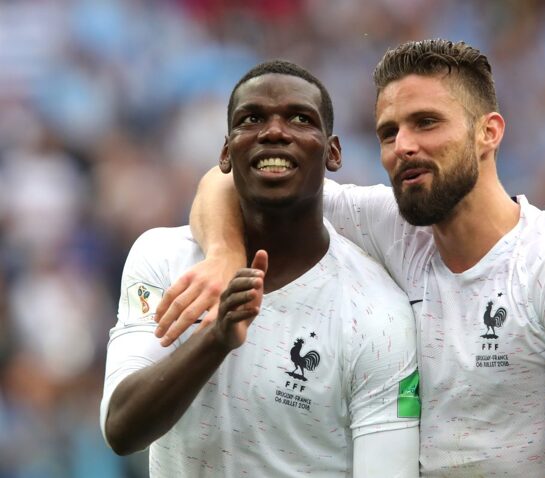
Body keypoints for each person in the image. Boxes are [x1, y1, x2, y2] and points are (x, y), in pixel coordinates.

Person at [154, 40, 545, 477]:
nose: (403, 146)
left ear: (488, 132)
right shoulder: (392, 228)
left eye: (426, 123)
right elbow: (227, 180)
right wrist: (224, 256)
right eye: (388, 132)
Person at [100, 60, 421, 477]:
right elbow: (121, 429)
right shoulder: (162, 258)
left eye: (300, 119)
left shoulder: (379, 314)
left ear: (333, 152)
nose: (274, 132)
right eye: (251, 118)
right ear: (225, 153)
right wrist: (216, 339)